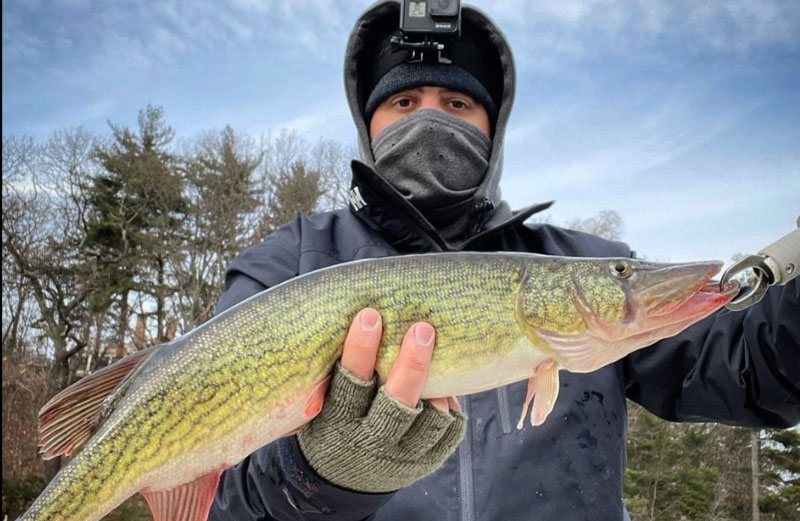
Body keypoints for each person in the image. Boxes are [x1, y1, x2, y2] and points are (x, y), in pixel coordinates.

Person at [208, 1, 800, 520]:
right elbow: (223, 505)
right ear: (369, 124)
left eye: (458, 101)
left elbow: (755, 370)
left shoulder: (580, 261)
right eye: (405, 100)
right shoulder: (290, 262)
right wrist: (323, 474)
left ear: (494, 126)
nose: (431, 118)